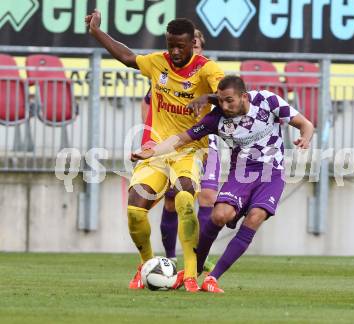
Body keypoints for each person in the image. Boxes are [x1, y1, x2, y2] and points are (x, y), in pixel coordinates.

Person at [131, 75, 314, 293]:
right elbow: (180, 139)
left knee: (255, 217)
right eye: (220, 101)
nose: (225, 106)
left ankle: (213, 278)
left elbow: (305, 124)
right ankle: (195, 269)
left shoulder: (268, 101)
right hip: (241, 174)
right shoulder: (215, 119)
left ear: (244, 97)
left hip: (271, 175)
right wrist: (151, 152)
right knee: (219, 216)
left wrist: (305, 138)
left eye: (230, 101)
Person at [85, 10, 224, 292]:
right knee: (135, 209)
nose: (174, 51)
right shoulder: (157, 63)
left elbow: (228, 93)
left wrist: (207, 96)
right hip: (156, 152)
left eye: (180, 46)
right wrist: (97, 32)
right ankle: (147, 265)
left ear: (191, 44)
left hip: (189, 151)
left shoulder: (206, 69)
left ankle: (190, 274)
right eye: (170, 44)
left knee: (185, 197)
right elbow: (126, 56)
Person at [141, 30, 218, 270]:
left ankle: (198, 259)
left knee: (207, 198)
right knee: (173, 201)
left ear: (200, 48)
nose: (191, 51)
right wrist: (150, 139)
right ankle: (171, 258)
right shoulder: (167, 74)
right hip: (173, 146)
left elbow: (228, 100)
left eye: (196, 46)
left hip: (205, 144)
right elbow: (148, 104)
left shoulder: (208, 74)